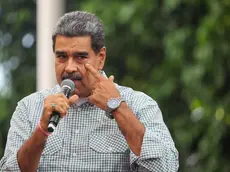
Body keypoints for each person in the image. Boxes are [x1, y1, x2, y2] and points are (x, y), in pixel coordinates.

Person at [0, 11, 179, 172]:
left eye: (80, 57)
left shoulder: (138, 104)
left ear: (100, 58)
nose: (69, 67)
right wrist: (41, 131)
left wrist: (117, 108)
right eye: (61, 57)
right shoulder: (29, 108)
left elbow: (165, 166)